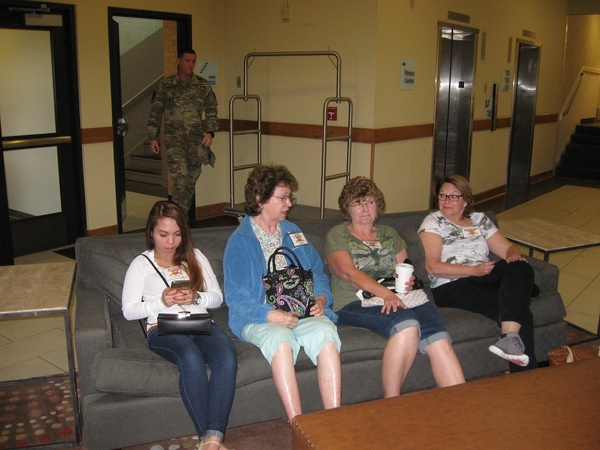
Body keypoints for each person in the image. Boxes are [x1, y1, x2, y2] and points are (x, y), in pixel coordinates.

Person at [324, 177, 465, 398]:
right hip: (354, 302)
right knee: (406, 324)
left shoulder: (389, 233)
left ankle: (462, 402)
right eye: (357, 203)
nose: (364, 209)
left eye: (370, 202)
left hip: (399, 296)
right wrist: (386, 293)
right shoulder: (338, 234)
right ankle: (391, 403)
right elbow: (348, 273)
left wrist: (407, 280)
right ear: (347, 208)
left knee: (438, 337)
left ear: (377, 206)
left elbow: (405, 265)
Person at [223, 164, 342, 422]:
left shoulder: (292, 232)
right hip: (260, 317)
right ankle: (297, 423)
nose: (289, 203)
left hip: (302, 311)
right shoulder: (240, 241)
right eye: (283, 197)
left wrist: (321, 298)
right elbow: (236, 296)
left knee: (325, 332)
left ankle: (335, 420)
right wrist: (270, 314)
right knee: (281, 340)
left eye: (290, 197)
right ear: (260, 199)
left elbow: (317, 273)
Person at [122, 201, 237, 450]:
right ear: (151, 232)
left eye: (176, 234)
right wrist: (159, 302)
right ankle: (208, 438)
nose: (170, 241)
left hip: (199, 323)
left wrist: (197, 297)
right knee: (190, 356)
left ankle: (212, 440)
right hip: (163, 328)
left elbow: (217, 297)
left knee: (226, 354)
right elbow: (129, 311)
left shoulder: (195, 256)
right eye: (163, 234)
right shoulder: (141, 264)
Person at [418, 174, 539, 372]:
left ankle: (509, 337)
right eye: (442, 196)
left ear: (466, 200)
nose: (447, 201)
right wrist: (473, 270)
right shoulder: (433, 222)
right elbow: (433, 267)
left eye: (454, 196)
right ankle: (527, 377)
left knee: (521, 266)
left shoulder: (479, 220)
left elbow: (509, 250)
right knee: (518, 309)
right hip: (452, 284)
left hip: (484, 274)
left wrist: (514, 257)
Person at [147, 48, 218, 215]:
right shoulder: (166, 85)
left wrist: (210, 132)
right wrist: (153, 136)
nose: (190, 64)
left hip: (196, 142)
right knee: (181, 180)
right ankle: (175, 221)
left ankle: (181, 221)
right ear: (178, 61)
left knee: (190, 182)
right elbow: (156, 111)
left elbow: (211, 110)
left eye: (193, 61)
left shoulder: (202, 86)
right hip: (174, 142)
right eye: (187, 61)